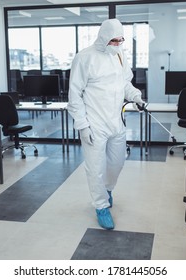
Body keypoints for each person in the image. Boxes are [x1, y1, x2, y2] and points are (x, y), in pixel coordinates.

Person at [67, 18, 145, 230]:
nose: (118, 44)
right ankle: (101, 206)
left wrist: (136, 97)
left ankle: (108, 190)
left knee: (117, 163)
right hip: (94, 124)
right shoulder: (84, 58)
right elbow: (74, 96)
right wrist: (83, 125)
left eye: (121, 40)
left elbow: (125, 83)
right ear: (103, 38)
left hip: (116, 122)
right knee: (95, 168)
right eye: (114, 40)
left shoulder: (119, 55)